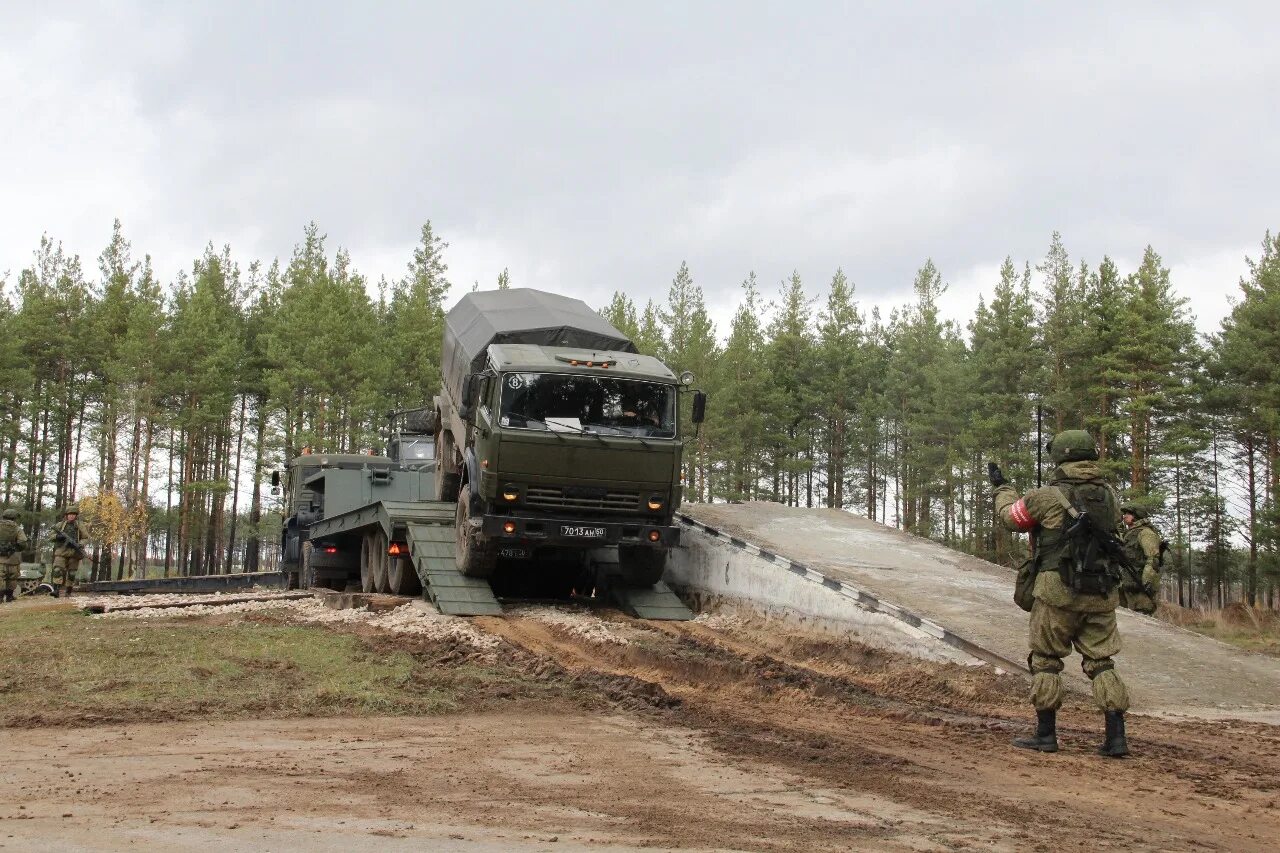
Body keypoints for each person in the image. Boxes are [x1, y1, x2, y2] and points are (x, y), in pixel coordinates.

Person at [988, 429, 1130, 757]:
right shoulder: (1110, 495)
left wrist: (1003, 488)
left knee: (1046, 660)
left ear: (1060, 457)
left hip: (1057, 592)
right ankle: (1116, 738)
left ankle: (1046, 735)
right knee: (1101, 662)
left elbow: (1011, 519)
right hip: (1101, 592)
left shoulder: (1048, 496)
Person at [1119, 505, 1162, 615]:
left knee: (1143, 617)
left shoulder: (1146, 533)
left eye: (1128, 514)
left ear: (1137, 516)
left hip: (1140, 587)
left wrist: (1147, 582)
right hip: (1126, 584)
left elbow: (1153, 559)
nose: (1124, 516)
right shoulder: (1128, 533)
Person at [49, 504, 85, 597]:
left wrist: (80, 544)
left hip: (74, 552)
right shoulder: (60, 525)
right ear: (66, 515)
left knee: (72, 573)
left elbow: (86, 537)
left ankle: (68, 591)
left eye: (73, 514)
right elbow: (50, 536)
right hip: (61, 551)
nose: (71, 516)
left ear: (76, 516)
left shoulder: (80, 526)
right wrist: (58, 536)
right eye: (70, 514)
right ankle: (56, 590)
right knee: (57, 570)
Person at [0, 508, 28, 603]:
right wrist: (15, 548)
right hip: (13, 559)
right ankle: (9, 597)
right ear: (14, 518)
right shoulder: (17, 529)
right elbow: (23, 542)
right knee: (12, 579)